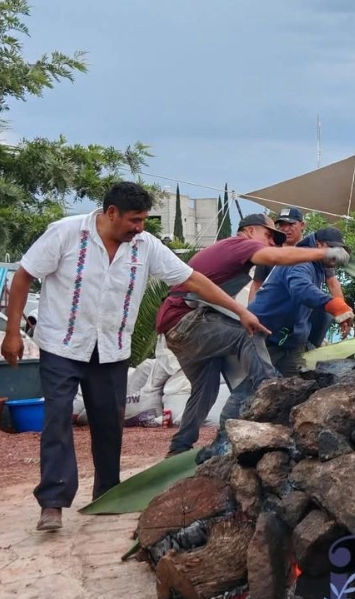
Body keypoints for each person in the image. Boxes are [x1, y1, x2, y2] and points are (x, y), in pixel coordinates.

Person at [0, 181, 267, 532]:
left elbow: (192, 279)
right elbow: (23, 277)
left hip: (111, 349)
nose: (140, 227)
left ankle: (107, 494)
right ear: (111, 213)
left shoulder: (146, 246)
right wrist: (13, 332)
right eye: (135, 220)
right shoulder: (65, 233)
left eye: (143, 220)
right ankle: (52, 502)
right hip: (62, 344)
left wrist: (239, 310)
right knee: (57, 417)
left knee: (109, 422)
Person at [156, 213, 350, 457]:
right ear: (249, 230)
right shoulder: (240, 244)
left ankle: (180, 446)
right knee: (249, 336)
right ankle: (270, 387)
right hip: (187, 320)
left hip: (181, 324)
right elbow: (282, 262)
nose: (271, 241)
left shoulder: (317, 270)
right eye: (269, 234)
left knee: (206, 389)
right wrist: (325, 254)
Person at [249, 227, 354, 376]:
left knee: (296, 387)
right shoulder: (301, 262)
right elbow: (301, 288)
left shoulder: (318, 266)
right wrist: (334, 305)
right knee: (253, 388)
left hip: (289, 341)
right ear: (318, 245)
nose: (335, 254)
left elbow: (332, 285)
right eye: (331, 248)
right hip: (264, 336)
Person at [248, 206, 345, 307]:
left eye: (290, 224)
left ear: (302, 225)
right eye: (281, 225)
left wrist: (342, 309)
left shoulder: (315, 253)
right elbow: (256, 284)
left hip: (302, 315)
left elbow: (333, 283)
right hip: (272, 313)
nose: (285, 229)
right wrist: (249, 312)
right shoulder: (271, 252)